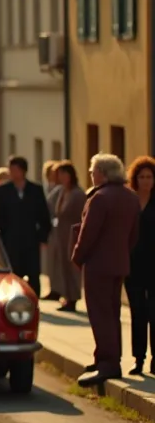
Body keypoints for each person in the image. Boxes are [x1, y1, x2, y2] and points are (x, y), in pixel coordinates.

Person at [71, 153, 141, 387]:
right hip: (119, 263)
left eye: (93, 171)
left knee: (100, 314)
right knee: (112, 312)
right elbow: (133, 235)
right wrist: (122, 253)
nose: (91, 175)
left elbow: (88, 234)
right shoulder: (130, 197)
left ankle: (108, 364)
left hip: (98, 264)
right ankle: (107, 357)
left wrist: (78, 257)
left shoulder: (99, 198)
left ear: (102, 172)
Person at [0, 155, 52, 296]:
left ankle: (33, 300)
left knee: (33, 272)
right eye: (10, 170)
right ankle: (13, 298)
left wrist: (43, 237)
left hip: (31, 239)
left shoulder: (35, 190)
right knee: (13, 273)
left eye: (14, 170)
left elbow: (44, 216)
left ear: (23, 171)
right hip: (10, 240)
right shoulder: (4, 190)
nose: (12, 173)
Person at [125, 156, 155, 374]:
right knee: (137, 313)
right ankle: (138, 359)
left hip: (154, 265)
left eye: (149, 177)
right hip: (133, 265)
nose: (145, 181)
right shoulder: (130, 202)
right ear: (135, 179)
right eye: (141, 177)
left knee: (154, 312)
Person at [49, 161, 85, 312]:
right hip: (62, 234)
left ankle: (73, 297)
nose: (62, 177)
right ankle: (65, 295)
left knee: (72, 267)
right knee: (62, 266)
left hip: (73, 234)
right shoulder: (62, 191)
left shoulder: (78, 194)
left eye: (64, 174)